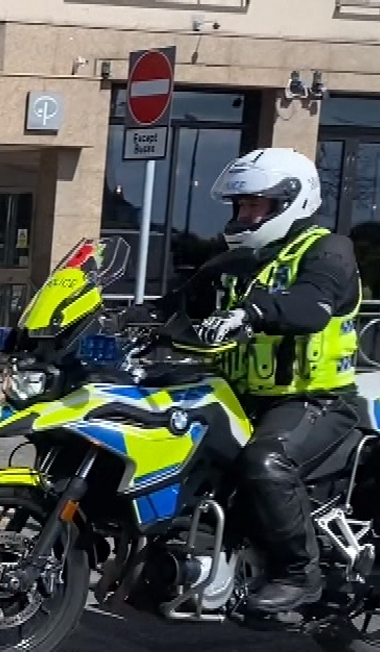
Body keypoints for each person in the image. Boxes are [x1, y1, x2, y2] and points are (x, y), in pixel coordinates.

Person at [141, 146, 363, 615]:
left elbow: (311, 305)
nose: (244, 216)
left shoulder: (328, 250)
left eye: (255, 205)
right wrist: (115, 321)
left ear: (291, 201)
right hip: (238, 394)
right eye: (240, 206)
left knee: (266, 462)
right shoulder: (237, 260)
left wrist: (252, 312)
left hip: (313, 399)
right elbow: (176, 304)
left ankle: (298, 574)